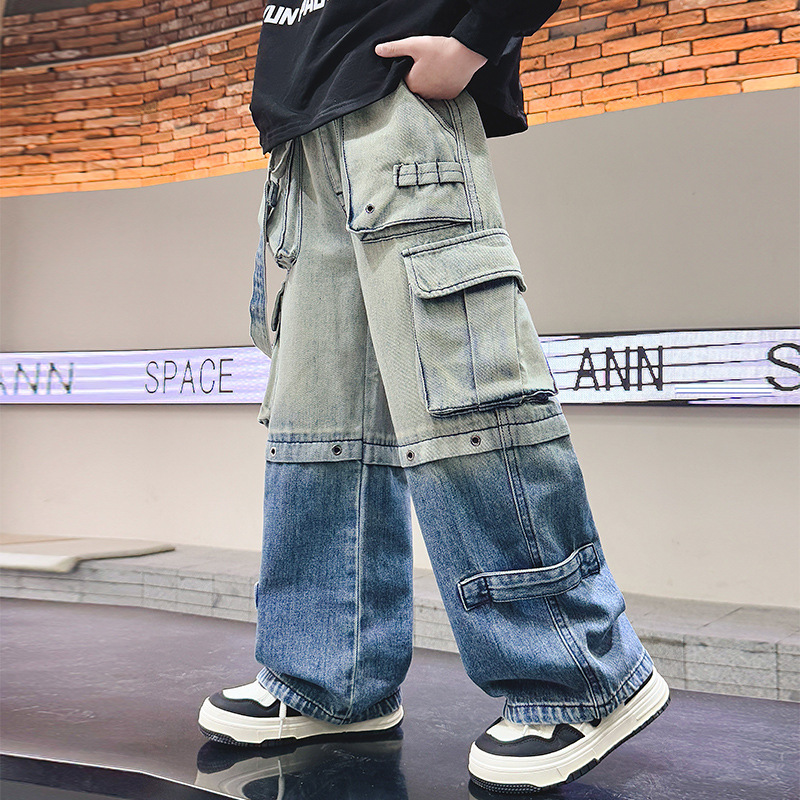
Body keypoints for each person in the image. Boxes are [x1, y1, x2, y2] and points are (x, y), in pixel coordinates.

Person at [197, 0, 670, 792]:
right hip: (304, 147)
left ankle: (580, 675)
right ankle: (329, 680)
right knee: (321, 425)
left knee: (466, 403)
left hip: (398, 112)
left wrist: (475, 40)